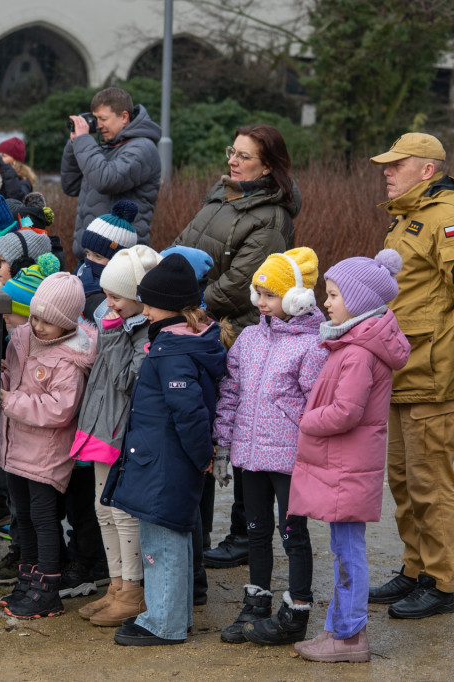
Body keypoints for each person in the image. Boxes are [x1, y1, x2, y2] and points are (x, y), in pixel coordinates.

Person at [367, 133, 454, 619]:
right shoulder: (409, 216)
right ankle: (414, 568)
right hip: (406, 365)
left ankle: (439, 583)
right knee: (403, 479)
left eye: (396, 164)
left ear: (426, 170)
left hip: (435, 368)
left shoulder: (448, 218)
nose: (386, 170)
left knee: (429, 481)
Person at [172, 124, 301, 571]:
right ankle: (204, 531)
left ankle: (245, 533)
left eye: (244, 156)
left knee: (249, 432)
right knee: (206, 427)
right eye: (233, 151)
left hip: (232, 330)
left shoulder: (271, 218)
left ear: (267, 167)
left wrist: (184, 305)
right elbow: (186, 244)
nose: (233, 160)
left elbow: (237, 284)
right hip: (193, 317)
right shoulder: (222, 194)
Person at [288, 250, 410, 663]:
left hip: (347, 466)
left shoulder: (357, 352)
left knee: (347, 552)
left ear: (357, 302)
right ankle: (339, 630)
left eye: (335, 295)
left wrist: (306, 420)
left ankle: (350, 636)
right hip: (347, 465)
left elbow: (346, 412)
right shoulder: (352, 342)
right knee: (344, 549)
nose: (326, 302)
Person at [102, 254, 227, 646]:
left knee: (162, 540)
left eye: (151, 304)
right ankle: (171, 614)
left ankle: (165, 623)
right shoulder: (185, 341)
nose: (147, 310)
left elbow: (188, 412)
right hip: (163, 458)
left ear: (170, 307)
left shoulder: (173, 352)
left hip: (165, 463)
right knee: (171, 535)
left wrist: (200, 455)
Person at [213, 247, 327, 647]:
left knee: (292, 533)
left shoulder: (313, 346)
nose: (260, 302)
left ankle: (297, 608)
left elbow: (316, 405)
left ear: (297, 297)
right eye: (257, 293)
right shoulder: (248, 338)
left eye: (270, 295)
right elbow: (230, 393)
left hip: (289, 459)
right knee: (256, 531)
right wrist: (223, 444)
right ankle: (256, 601)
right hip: (250, 456)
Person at [0, 272, 95, 619]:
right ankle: (28, 577)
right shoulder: (22, 338)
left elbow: (59, 410)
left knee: (43, 519)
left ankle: (48, 588)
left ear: (68, 325)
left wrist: (6, 399)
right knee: (20, 515)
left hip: (45, 452)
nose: (39, 326)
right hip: (14, 447)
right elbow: (11, 377)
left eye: (49, 322)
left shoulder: (70, 361)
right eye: (36, 317)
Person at [70, 245, 162, 626]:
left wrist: (111, 335)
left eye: (116, 297)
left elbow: (126, 379)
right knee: (101, 508)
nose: (109, 304)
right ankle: (115, 585)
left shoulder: (143, 331)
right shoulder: (117, 319)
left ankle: (133, 590)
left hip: (119, 429)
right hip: (100, 425)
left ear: (139, 297)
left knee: (121, 513)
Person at [61, 87, 161, 258]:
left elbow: (106, 180)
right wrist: (74, 145)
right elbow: (71, 185)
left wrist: (84, 141)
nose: (98, 126)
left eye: (103, 119)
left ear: (124, 117)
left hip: (119, 259)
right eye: (95, 118)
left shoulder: (143, 148)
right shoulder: (107, 147)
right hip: (92, 255)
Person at [76, 201, 139, 320]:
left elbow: (106, 320)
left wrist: (92, 294)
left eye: (98, 256)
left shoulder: (122, 291)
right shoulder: (81, 273)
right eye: (87, 253)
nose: (90, 261)